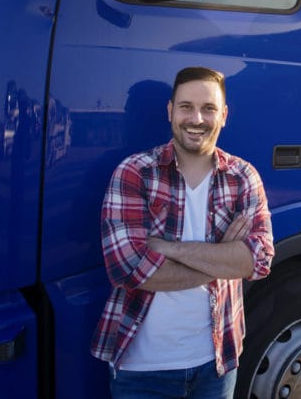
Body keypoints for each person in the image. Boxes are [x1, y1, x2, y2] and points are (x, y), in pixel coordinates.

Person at [91, 66, 274, 398]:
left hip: (217, 364)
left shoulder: (243, 177)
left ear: (224, 115)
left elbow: (258, 261)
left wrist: (167, 248)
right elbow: (129, 269)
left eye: (208, 108)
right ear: (170, 111)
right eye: (186, 107)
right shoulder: (134, 173)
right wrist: (223, 256)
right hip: (141, 370)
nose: (197, 118)